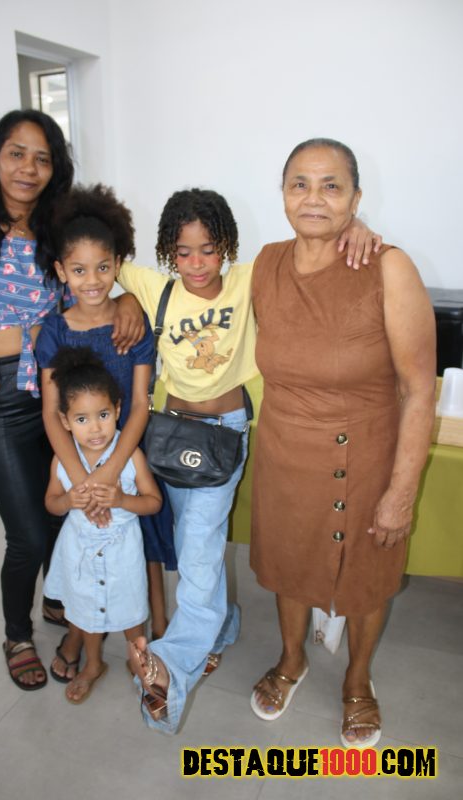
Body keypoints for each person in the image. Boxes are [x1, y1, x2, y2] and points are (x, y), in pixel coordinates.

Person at [122, 188, 379, 734]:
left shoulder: (250, 277)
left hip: (224, 434)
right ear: (168, 252)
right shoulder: (154, 287)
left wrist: (354, 228)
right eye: (183, 252)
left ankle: (171, 667)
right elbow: (102, 263)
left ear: (227, 247)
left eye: (208, 249)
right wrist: (125, 299)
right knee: (197, 543)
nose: (197, 263)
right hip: (171, 435)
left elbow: (311, 254)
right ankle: (224, 624)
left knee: (198, 546)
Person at [0, 110, 140, 690]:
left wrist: (126, 299)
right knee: (25, 532)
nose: (29, 167)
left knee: (60, 510)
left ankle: (58, 596)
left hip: (60, 391)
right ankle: (16, 633)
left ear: (56, 169)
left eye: (43, 158)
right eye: (17, 153)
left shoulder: (57, 227)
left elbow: (93, 277)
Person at [249, 138, 436, 748]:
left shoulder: (388, 267)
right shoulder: (265, 264)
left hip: (365, 453)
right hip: (284, 451)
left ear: (356, 198)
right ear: (282, 194)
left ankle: (358, 678)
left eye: (332, 186)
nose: (314, 198)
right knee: (288, 563)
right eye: (299, 184)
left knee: (366, 573)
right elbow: (196, 291)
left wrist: (401, 493)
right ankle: (291, 659)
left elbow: (418, 390)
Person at [35, 184, 176, 683]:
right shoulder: (54, 330)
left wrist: (111, 472)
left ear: (117, 263)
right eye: (78, 270)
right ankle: (81, 636)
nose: (92, 280)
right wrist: (83, 482)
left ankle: (148, 635)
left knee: (137, 549)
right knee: (82, 553)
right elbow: (51, 413)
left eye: (102, 267)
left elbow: (139, 403)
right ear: (61, 272)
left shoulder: (132, 324)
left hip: (127, 455)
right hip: (75, 465)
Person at [43, 346, 162, 703]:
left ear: (118, 410)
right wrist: (68, 501)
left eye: (103, 415)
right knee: (84, 611)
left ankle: (138, 661)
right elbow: (51, 503)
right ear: (65, 421)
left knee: (131, 610)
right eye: (82, 419)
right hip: (79, 551)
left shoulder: (130, 456)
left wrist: (123, 500)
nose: (95, 428)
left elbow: (153, 502)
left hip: (123, 552)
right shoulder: (63, 460)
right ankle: (93, 664)